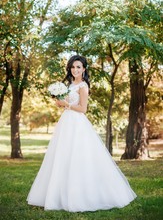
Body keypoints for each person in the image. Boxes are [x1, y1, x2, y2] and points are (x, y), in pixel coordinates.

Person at [27, 55, 137, 212]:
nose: (75, 70)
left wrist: (67, 105)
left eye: (78, 67)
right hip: (66, 122)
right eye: (72, 67)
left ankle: (81, 195)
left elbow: (83, 109)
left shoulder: (83, 86)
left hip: (78, 124)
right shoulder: (70, 84)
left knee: (78, 156)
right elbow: (66, 103)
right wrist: (60, 102)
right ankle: (57, 194)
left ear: (84, 69)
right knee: (62, 155)